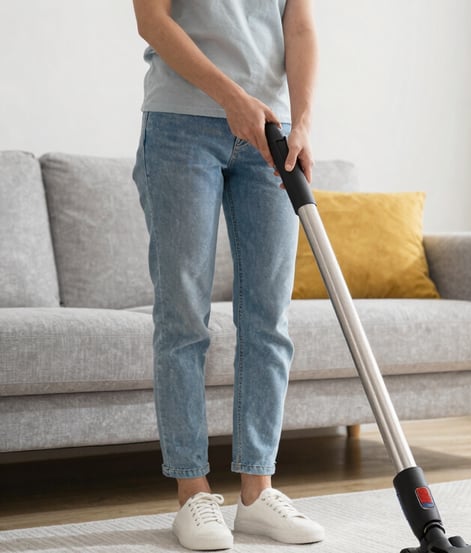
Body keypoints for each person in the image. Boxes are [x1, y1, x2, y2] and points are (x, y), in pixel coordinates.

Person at [131, 1, 322, 550]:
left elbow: (301, 24)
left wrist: (302, 120)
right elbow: (152, 19)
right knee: (183, 317)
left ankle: (258, 494)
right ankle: (193, 494)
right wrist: (230, 96)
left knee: (268, 318)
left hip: (272, 131)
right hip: (180, 128)